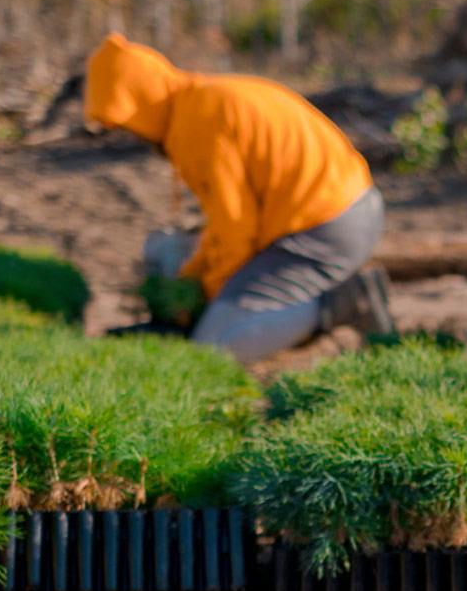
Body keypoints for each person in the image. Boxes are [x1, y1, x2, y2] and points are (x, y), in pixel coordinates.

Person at [84, 34, 394, 364]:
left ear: (140, 101)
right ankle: (305, 303)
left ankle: (340, 302)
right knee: (170, 252)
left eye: (127, 124)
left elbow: (235, 230)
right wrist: (195, 275)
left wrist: (204, 295)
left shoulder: (199, 121)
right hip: (345, 209)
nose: (133, 136)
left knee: (214, 349)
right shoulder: (200, 99)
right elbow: (225, 222)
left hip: (323, 227)